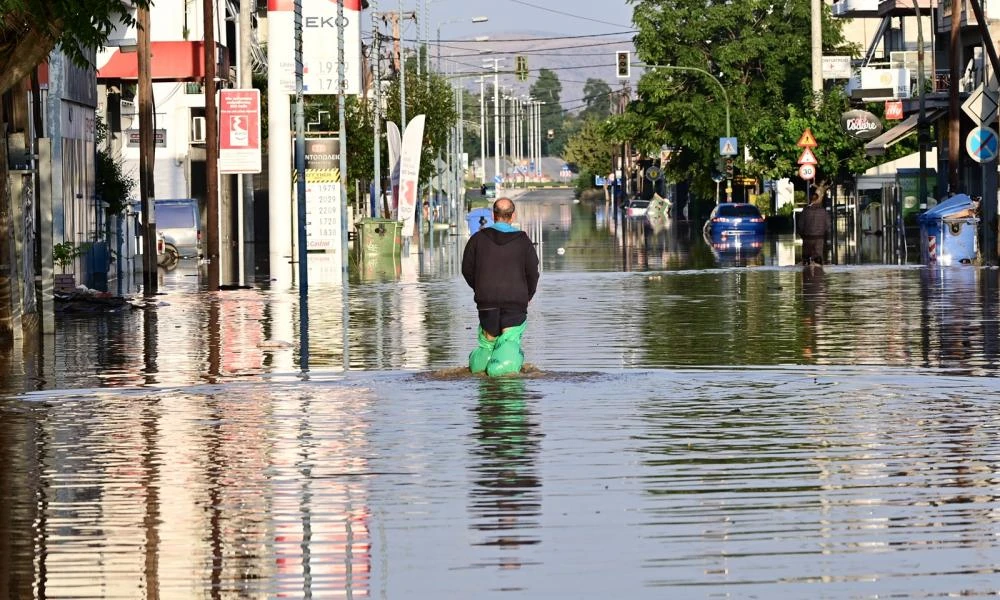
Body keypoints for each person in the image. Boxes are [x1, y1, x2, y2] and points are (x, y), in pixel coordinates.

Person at [462, 197, 540, 376]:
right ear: (512, 216)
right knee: (509, 341)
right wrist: (528, 294)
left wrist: (480, 288)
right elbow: (532, 273)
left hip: (486, 301)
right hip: (515, 300)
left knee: (488, 341)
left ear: (493, 215)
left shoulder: (477, 239)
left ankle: (481, 369)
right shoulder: (523, 241)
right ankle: (503, 373)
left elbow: (467, 269)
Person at [797, 190, 830, 265]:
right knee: (818, 258)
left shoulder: (805, 211)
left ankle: (806, 273)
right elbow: (828, 225)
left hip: (807, 238)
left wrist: (803, 235)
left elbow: (800, 225)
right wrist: (823, 233)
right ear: (818, 199)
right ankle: (818, 274)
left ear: (810, 200)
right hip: (819, 238)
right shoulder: (823, 211)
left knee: (806, 258)